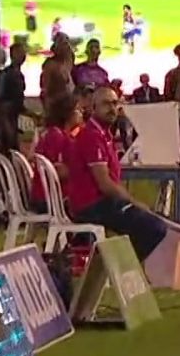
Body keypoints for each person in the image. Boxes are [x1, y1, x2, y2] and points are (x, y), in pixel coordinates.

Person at [63, 84, 168, 261]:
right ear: (93, 108)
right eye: (106, 104)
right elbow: (105, 184)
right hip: (91, 206)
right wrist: (135, 203)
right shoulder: (91, 135)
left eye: (114, 103)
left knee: (154, 221)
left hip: (99, 203)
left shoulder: (103, 134)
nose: (112, 109)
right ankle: (122, 268)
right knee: (155, 227)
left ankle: (121, 267)